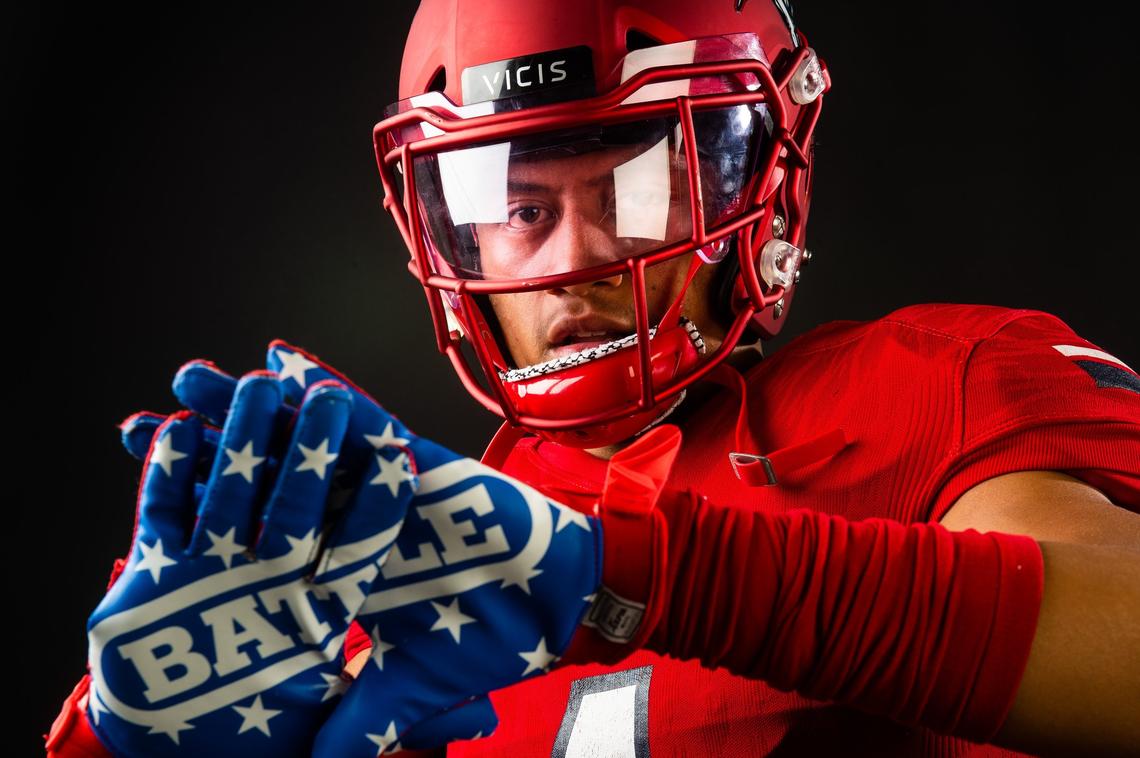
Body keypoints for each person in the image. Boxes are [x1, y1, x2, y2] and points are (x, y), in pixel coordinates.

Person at [45, 0, 1140, 756]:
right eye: (521, 208)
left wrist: (637, 574)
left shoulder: (934, 382)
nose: (574, 258)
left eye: (635, 183)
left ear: (761, 170)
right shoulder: (391, 573)